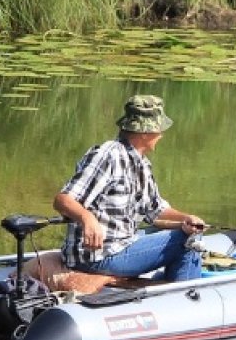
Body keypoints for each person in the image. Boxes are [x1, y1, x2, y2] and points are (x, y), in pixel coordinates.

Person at [54, 95, 206, 282]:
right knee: (189, 242)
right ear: (144, 132)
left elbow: (156, 211)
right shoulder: (108, 155)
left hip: (123, 245)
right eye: (159, 130)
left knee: (188, 231)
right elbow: (63, 200)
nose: (161, 135)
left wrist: (187, 218)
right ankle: (185, 299)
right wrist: (87, 218)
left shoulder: (142, 164)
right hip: (97, 256)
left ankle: (168, 287)